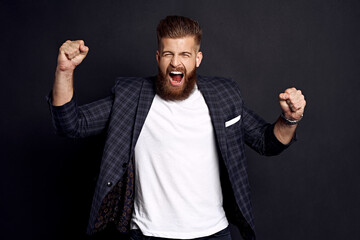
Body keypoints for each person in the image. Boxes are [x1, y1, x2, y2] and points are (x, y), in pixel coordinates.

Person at [48, 16, 306, 240]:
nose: (176, 63)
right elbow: (71, 125)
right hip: (148, 234)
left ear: (198, 58)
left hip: (213, 233)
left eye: (185, 54)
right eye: (169, 54)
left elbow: (266, 141)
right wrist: (65, 70)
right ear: (158, 57)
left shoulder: (223, 95)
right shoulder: (131, 96)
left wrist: (290, 119)